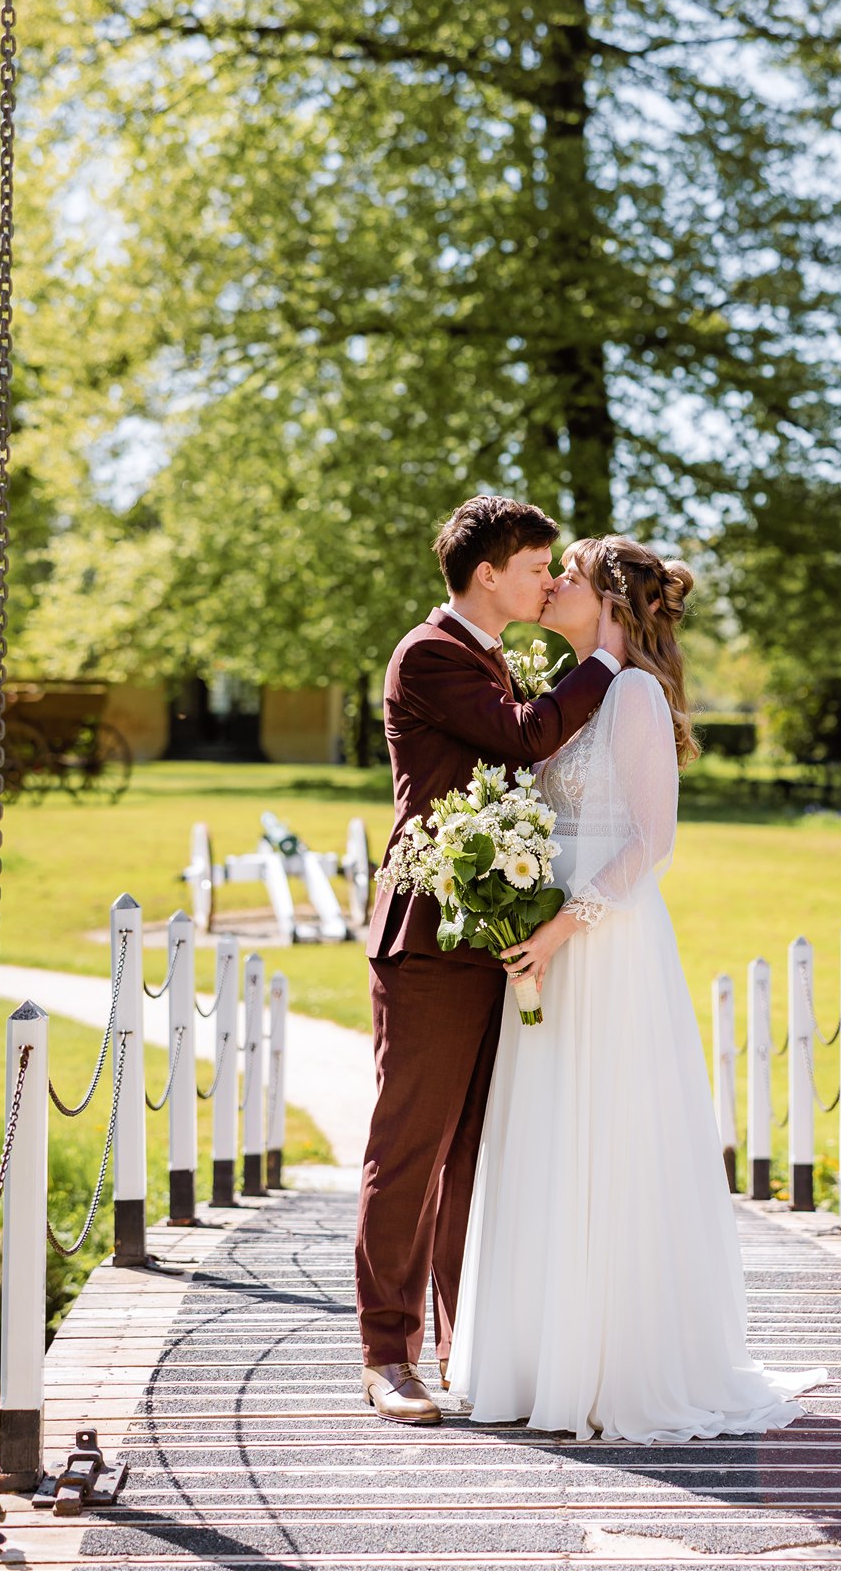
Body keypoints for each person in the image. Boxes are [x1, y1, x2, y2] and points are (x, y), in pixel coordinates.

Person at [447, 535, 825, 1442]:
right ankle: (540, 1359)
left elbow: (650, 842)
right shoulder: (566, 693)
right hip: (548, 944)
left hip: (602, 945)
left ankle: (615, 1366)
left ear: (611, 599)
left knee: (603, 1137)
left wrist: (555, 928)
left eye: (567, 575)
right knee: (545, 1134)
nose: (552, 585)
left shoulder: (633, 694)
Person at [355, 496, 625, 1425]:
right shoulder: (429, 653)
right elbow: (520, 738)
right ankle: (386, 1355)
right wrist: (604, 662)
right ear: (488, 575)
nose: (550, 580)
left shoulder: (491, 654)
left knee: (474, 1153)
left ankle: (462, 1344)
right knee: (410, 1149)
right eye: (537, 566)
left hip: (491, 934)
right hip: (427, 937)